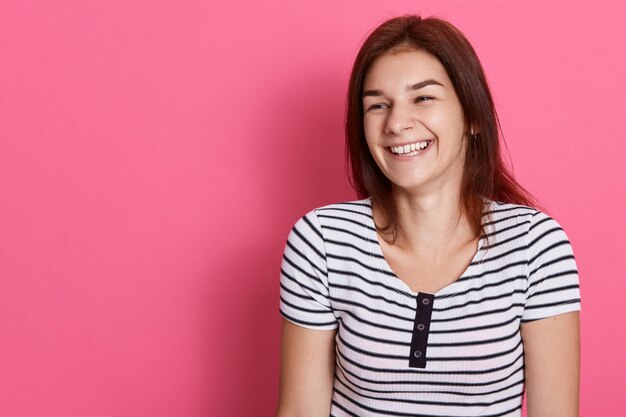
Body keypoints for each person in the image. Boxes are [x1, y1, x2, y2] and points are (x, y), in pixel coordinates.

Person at [275, 15, 581, 417]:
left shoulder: (536, 247)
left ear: (472, 116)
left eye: (423, 97)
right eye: (378, 104)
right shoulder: (322, 241)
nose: (397, 123)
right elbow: (300, 411)